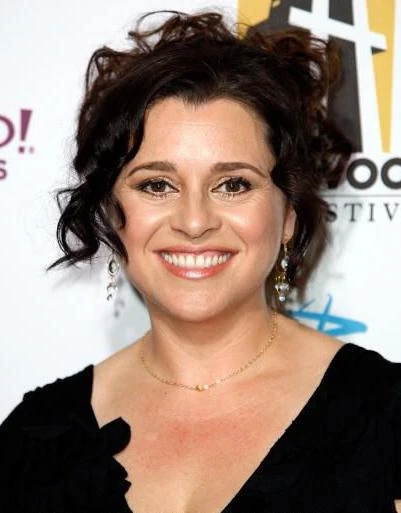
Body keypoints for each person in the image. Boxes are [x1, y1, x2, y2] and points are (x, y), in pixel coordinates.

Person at [1, 10, 401, 513]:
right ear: (110, 213)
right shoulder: (34, 437)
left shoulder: (386, 417)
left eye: (233, 184)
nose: (194, 222)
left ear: (289, 216)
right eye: (157, 185)